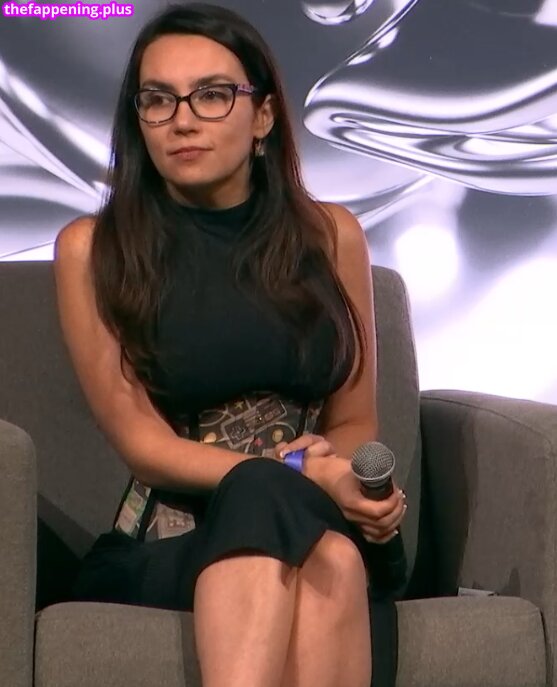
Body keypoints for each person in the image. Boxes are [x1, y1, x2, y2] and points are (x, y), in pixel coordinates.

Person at [53, 3, 407, 686]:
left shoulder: (332, 236)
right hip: (171, 538)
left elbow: (355, 419)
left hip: (316, 510)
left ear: (263, 116)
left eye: (212, 95)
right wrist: (291, 472)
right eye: (158, 99)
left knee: (323, 544)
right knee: (308, 538)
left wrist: (331, 479)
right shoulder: (92, 250)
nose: (182, 120)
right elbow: (142, 444)